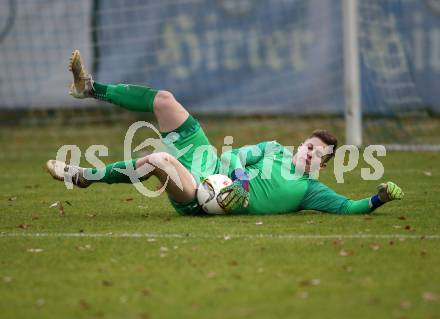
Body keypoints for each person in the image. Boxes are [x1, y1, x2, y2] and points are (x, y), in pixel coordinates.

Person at [46, 50, 404, 215]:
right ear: (302, 145)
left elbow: (347, 207)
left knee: (158, 160)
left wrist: (377, 199)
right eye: (310, 147)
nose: (311, 154)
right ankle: (90, 88)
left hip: (203, 196)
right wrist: (234, 177)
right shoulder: (276, 150)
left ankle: (84, 175)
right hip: (211, 166)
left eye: (318, 156)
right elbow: (238, 155)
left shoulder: (308, 190)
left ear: (321, 167)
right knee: (167, 101)